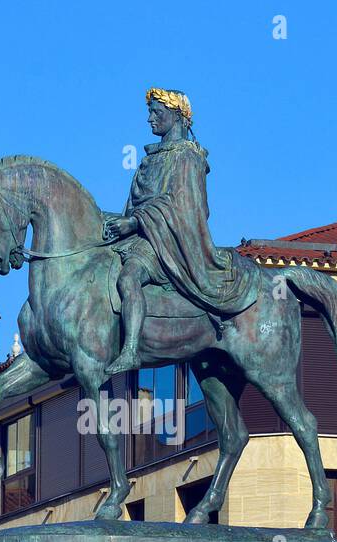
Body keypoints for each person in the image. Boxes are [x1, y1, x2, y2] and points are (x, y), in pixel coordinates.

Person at [101, 87, 262, 378]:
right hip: (141, 237)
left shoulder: (188, 157)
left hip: (168, 244)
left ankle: (131, 350)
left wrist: (136, 222)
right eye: (149, 112)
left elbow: (187, 208)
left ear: (176, 116)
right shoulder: (150, 158)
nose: (149, 118)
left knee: (128, 278)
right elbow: (134, 206)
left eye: (156, 112)